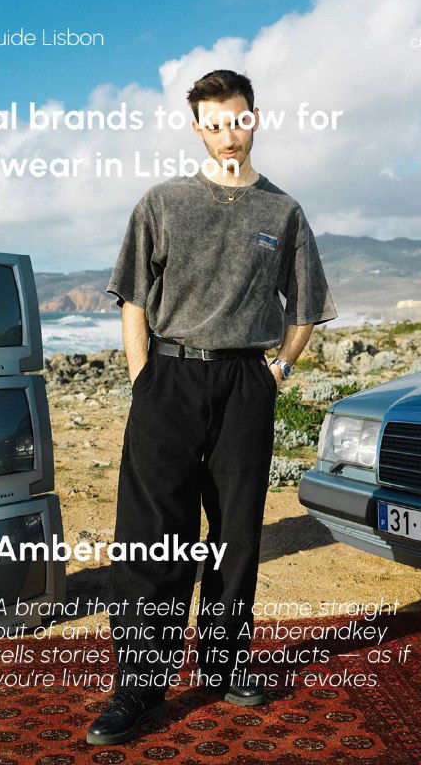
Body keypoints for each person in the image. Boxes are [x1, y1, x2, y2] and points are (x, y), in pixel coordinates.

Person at [87, 69, 337, 746]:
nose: (229, 132)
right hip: (168, 379)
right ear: (198, 128)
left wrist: (278, 371)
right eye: (215, 121)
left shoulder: (282, 212)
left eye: (239, 118)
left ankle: (226, 664)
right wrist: (145, 380)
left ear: (255, 119)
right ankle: (138, 683)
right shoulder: (163, 203)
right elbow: (134, 298)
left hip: (244, 389)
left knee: (236, 537)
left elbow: (307, 305)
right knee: (151, 538)